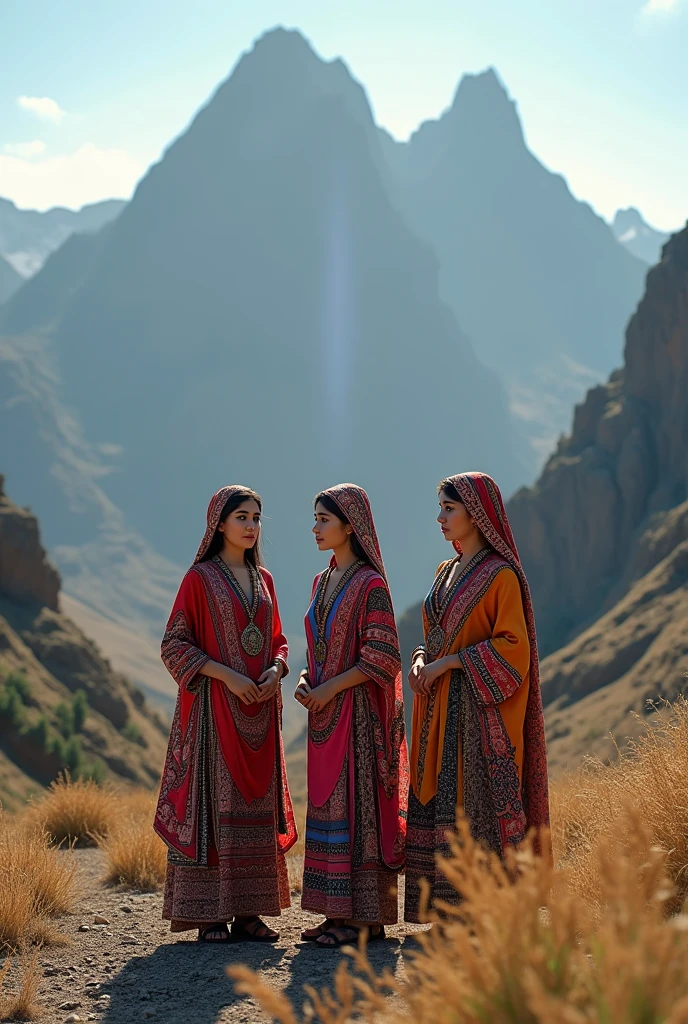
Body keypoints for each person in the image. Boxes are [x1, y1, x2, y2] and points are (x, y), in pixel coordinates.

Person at [404, 472, 550, 923]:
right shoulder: (446, 572)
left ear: (477, 514)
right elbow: (437, 634)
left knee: (471, 806)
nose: (440, 518)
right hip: (438, 708)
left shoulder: (501, 575)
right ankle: (444, 910)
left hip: (478, 717)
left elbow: (513, 648)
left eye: (449, 509)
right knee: (438, 801)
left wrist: (448, 665)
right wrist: (421, 659)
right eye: (441, 509)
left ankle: (483, 913)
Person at [154, 485, 296, 942]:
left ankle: (250, 911)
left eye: (257, 518)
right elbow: (174, 644)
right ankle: (211, 912)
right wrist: (226, 676)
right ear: (219, 524)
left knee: (254, 805)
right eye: (242, 517)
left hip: (259, 714)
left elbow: (277, 639)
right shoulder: (198, 579)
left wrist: (277, 668)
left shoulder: (265, 580)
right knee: (217, 804)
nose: (251, 526)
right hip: (213, 714)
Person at [295, 483, 408, 948]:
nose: (316, 527)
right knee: (327, 807)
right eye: (316, 518)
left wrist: (328, 689)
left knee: (359, 807)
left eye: (324, 519)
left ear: (350, 525)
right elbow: (318, 649)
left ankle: (365, 919)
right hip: (324, 718)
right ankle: (334, 912)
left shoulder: (371, 585)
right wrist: (306, 680)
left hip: (359, 718)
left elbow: (383, 657)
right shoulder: (323, 582)